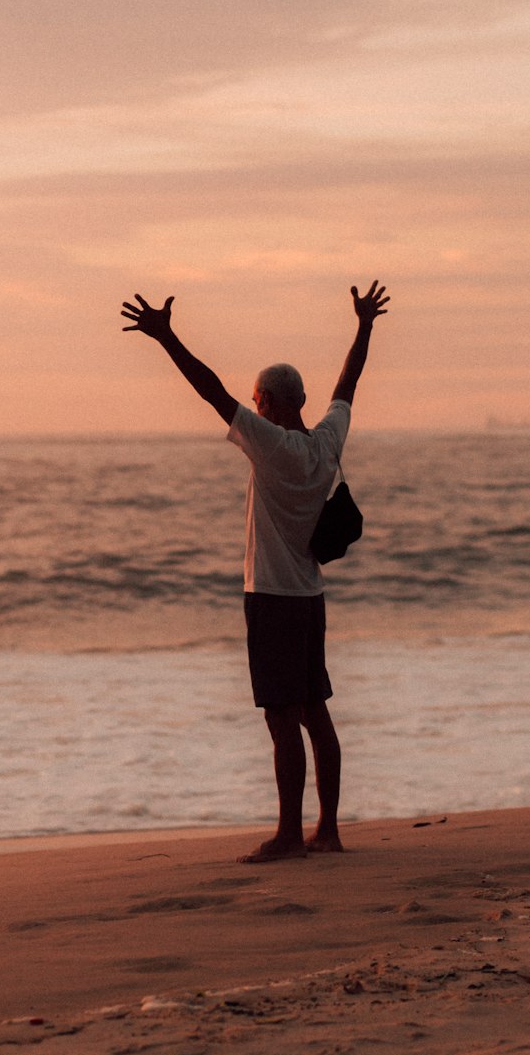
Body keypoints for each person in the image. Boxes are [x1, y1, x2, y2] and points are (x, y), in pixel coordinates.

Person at [120, 280, 390, 862]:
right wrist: (364, 325)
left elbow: (211, 392)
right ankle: (330, 832)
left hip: (271, 596)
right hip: (311, 597)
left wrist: (167, 338)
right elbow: (348, 384)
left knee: (280, 718)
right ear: (301, 398)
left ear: (267, 402)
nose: (253, 405)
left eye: (256, 399)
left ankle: (290, 836)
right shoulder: (326, 444)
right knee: (315, 711)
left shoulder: (270, 445)